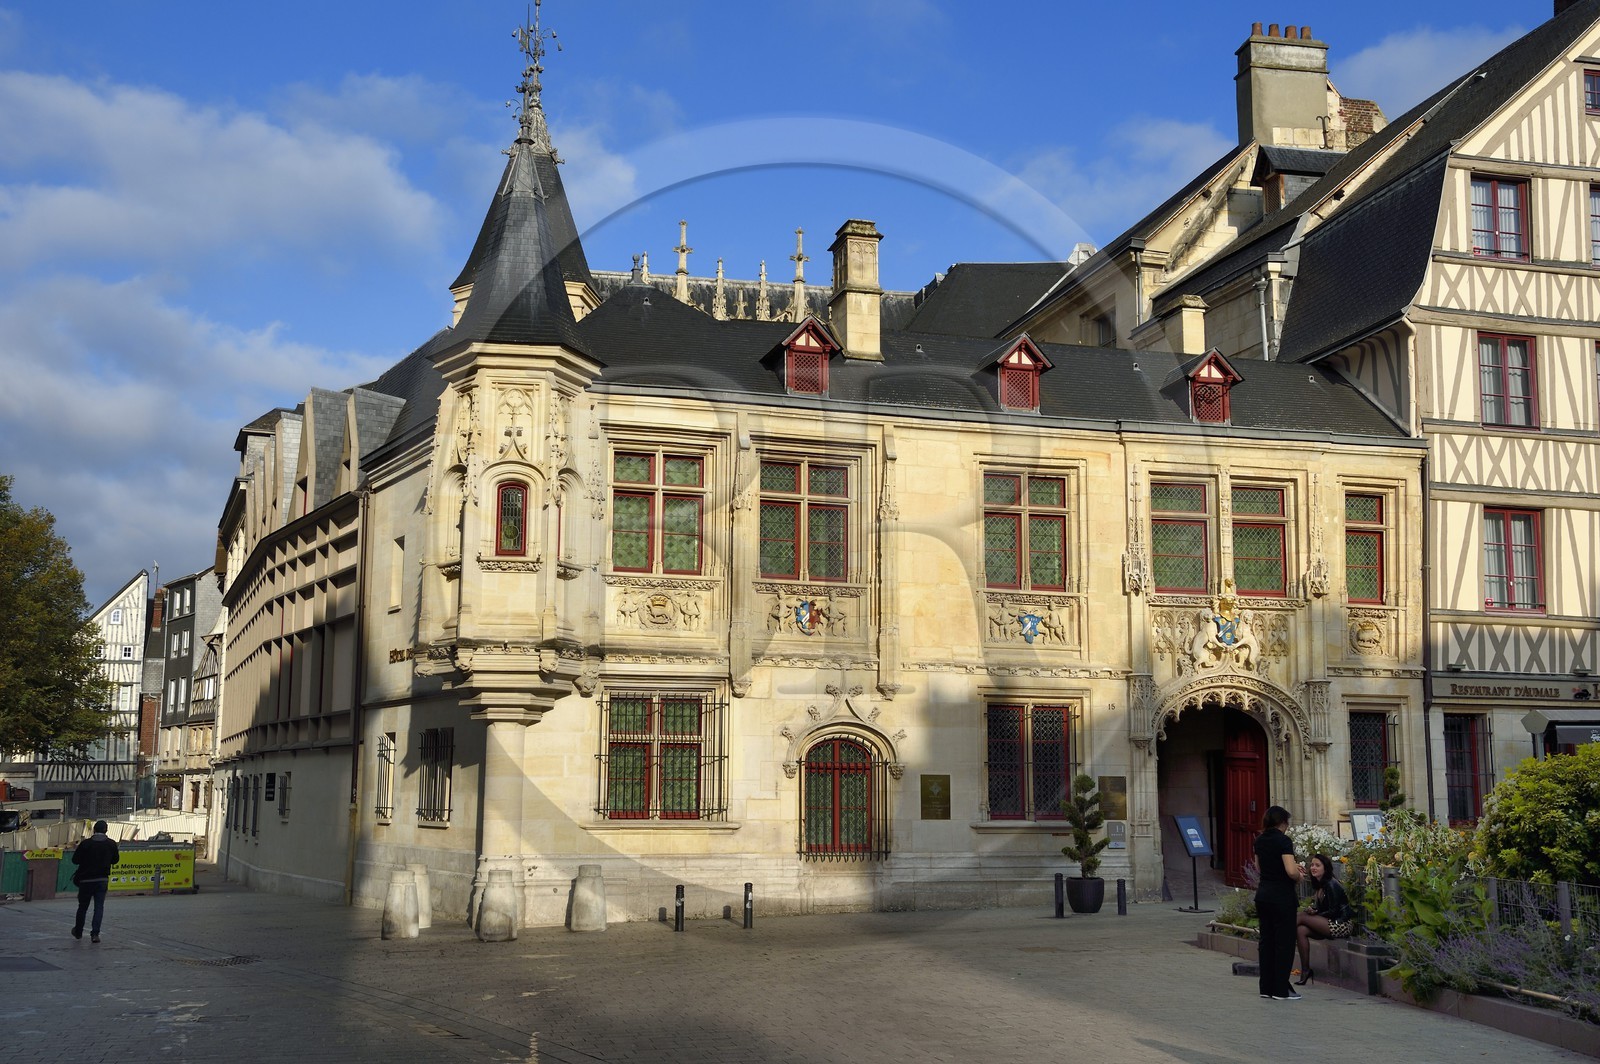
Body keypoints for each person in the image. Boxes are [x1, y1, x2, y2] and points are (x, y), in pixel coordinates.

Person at [1253, 805, 1304, 1001]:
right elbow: (1290, 871)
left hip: (1263, 894)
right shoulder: (1283, 841)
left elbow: (1259, 867)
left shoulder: (1259, 840)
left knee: (1266, 942)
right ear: (1282, 822)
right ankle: (1281, 989)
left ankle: (1266, 987)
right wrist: (1298, 875)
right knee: (1284, 942)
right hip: (1281, 896)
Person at [1293, 853, 1353, 984]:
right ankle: (1305, 971)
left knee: (1302, 917)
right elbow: (1324, 909)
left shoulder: (1331, 883)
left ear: (1325, 868)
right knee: (1301, 930)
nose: (1313, 868)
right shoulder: (1320, 885)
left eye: (1317, 865)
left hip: (1341, 924)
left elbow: (1334, 911)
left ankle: (1277, 937)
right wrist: (1315, 911)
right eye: (1312, 865)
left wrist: (1315, 914)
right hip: (1330, 922)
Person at [70, 819, 120, 943]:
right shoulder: (111, 844)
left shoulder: (85, 844)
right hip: (102, 880)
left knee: (82, 907)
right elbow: (115, 860)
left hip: (86, 880)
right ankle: (95, 934)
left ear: (94, 830)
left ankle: (78, 932)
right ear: (106, 830)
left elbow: (75, 860)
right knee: (99, 907)